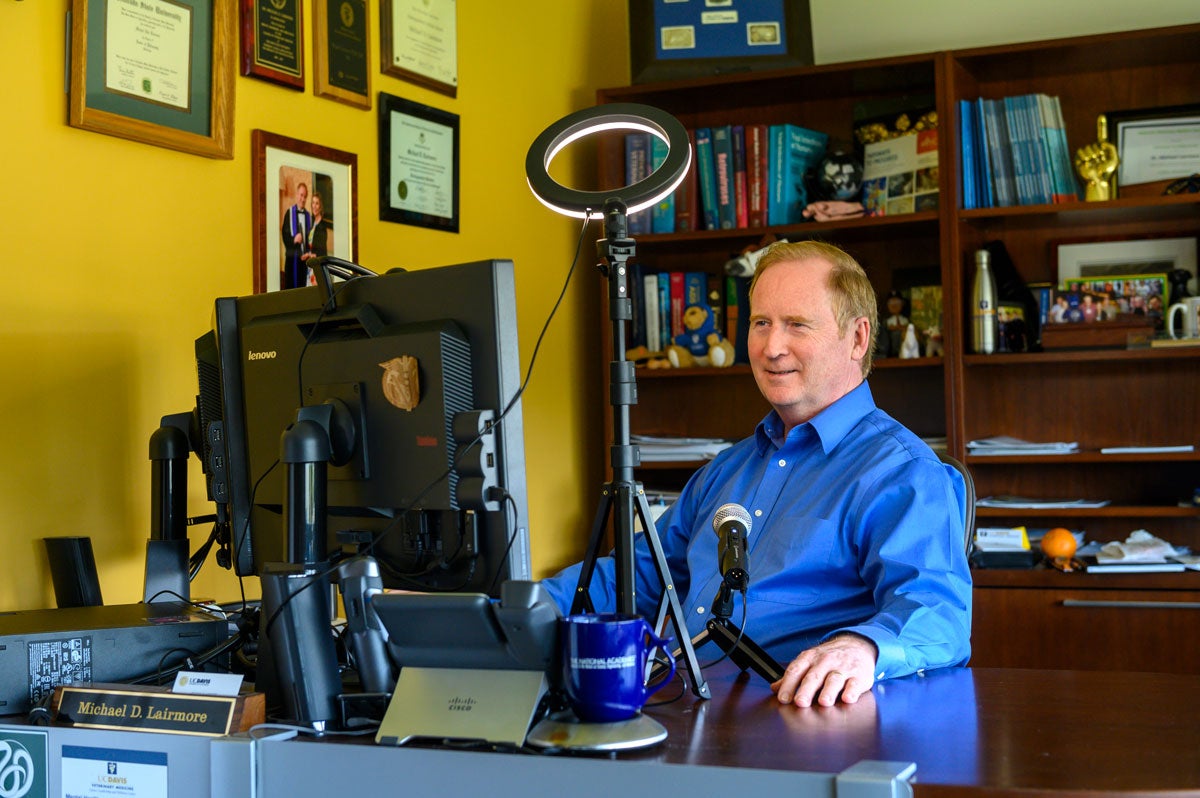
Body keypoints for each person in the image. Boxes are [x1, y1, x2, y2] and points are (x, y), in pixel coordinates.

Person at [542, 240, 972, 709]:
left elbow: (939, 614)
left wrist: (862, 648)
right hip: (678, 705)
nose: (771, 347)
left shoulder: (903, 473)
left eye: (797, 325)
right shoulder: (725, 470)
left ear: (858, 338)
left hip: (793, 724)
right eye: (761, 323)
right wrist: (513, 611)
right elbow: (634, 578)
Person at [280, 182, 312, 290]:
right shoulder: (289, 213)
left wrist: (308, 252)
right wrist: (294, 239)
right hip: (292, 259)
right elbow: (284, 235)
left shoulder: (308, 217)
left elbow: (310, 239)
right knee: (291, 290)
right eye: (301, 195)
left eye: (305, 196)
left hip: (304, 261)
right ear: (297, 195)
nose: (303, 199)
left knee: (302, 288)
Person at [305, 190, 334, 285]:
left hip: (317, 267)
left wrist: (313, 255)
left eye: (317, 203)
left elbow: (322, 251)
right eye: (313, 203)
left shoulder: (322, 227)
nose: (314, 206)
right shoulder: (313, 224)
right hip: (310, 266)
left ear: (320, 206)